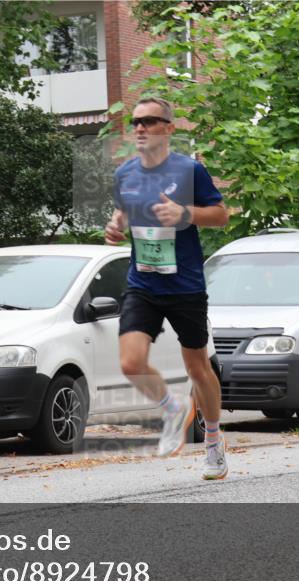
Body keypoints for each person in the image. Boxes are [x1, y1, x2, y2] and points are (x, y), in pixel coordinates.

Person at [104, 97, 229, 480]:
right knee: (130, 362)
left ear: (169, 128)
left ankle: (212, 439)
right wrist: (116, 225)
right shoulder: (125, 174)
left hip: (185, 285)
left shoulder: (190, 171)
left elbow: (221, 215)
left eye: (150, 121)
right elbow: (123, 211)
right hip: (143, 280)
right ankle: (172, 407)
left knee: (198, 367)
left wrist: (185, 214)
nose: (140, 128)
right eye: (136, 122)